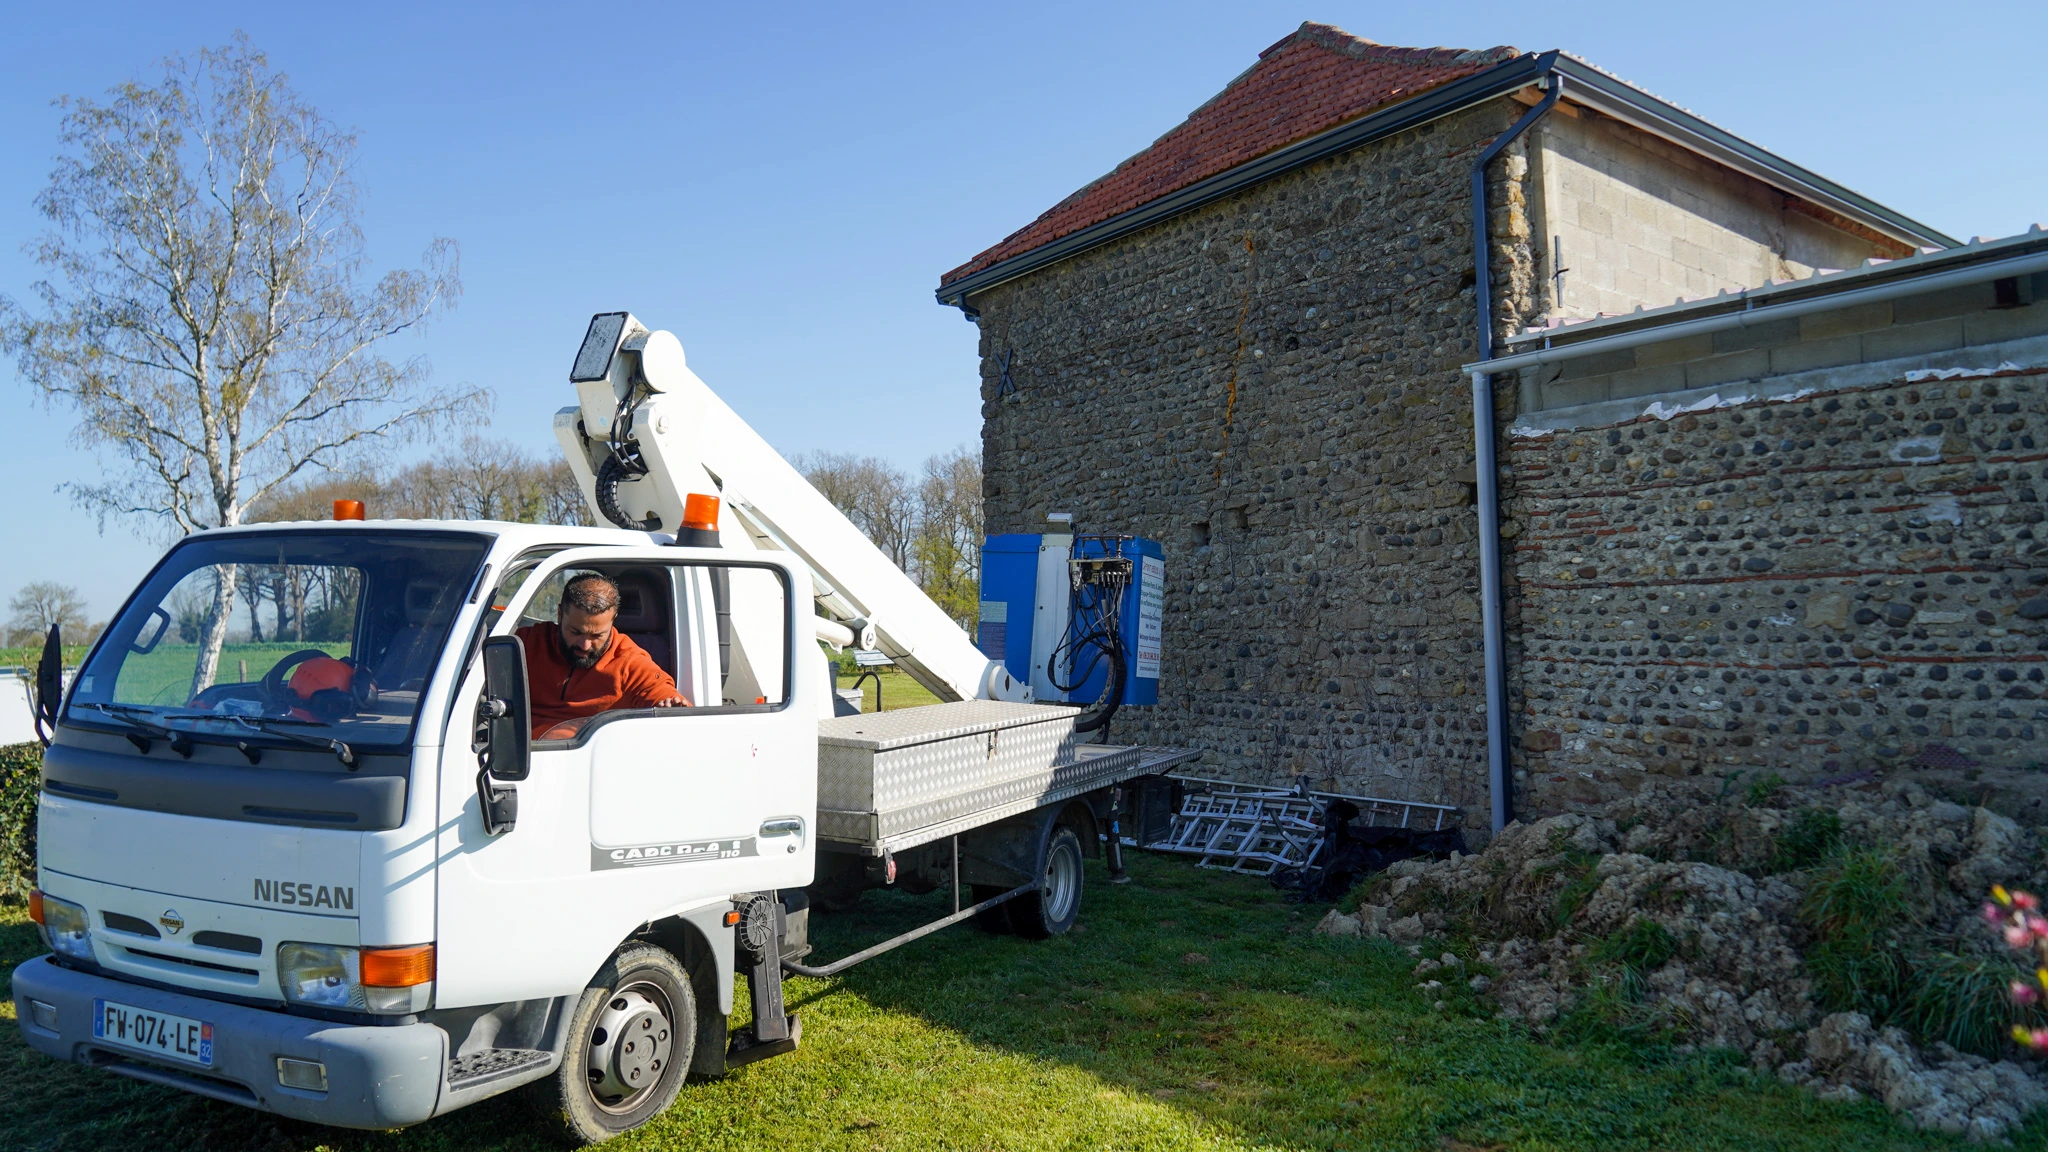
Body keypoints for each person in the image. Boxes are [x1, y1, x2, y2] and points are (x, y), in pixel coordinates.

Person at [517, 573, 687, 739]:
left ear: (613, 621)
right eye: (576, 632)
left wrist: (670, 707)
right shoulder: (528, 642)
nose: (584, 645)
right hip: (511, 752)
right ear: (560, 615)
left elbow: (663, 696)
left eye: (597, 636)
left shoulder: (629, 662)